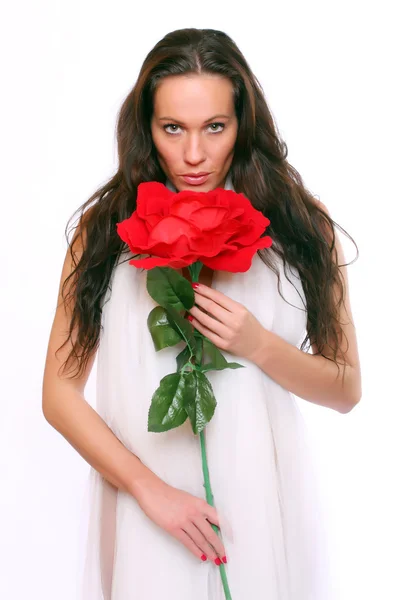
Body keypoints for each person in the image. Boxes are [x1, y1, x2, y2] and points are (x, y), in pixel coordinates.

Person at [42, 27, 361, 600]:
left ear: (244, 123)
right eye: (173, 129)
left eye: (215, 127)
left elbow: (345, 388)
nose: (194, 154)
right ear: (147, 129)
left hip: (260, 507)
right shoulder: (102, 235)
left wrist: (258, 343)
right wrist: (149, 491)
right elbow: (58, 396)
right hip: (148, 507)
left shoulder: (302, 230)